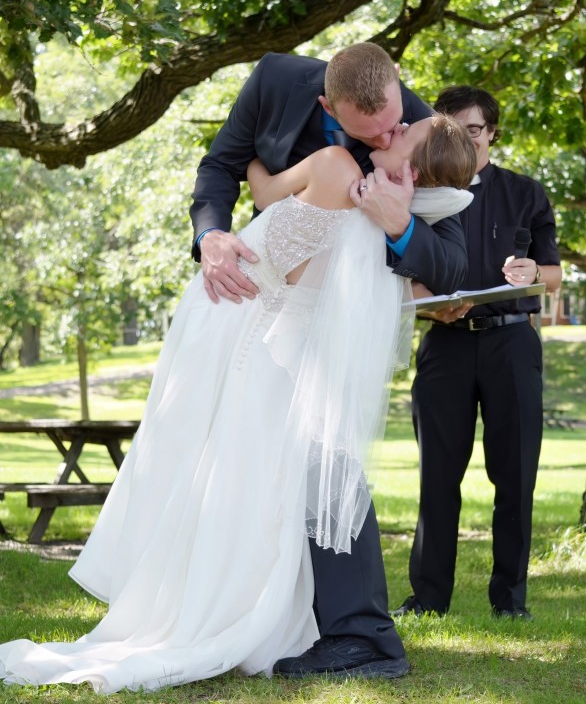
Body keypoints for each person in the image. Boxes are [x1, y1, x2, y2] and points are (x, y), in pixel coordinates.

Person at [0, 115, 476, 693]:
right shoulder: (349, 176)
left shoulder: (352, 183)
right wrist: (215, 231)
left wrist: (275, 177)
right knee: (270, 485)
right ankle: (318, 624)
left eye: (404, 132)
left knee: (285, 479)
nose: (396, 124)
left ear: (412, 166)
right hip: (276, 350)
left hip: (269, 349)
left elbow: (278, 207)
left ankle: (354, 634)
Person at [189, 42, 468, 678]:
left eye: (393, 125)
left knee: (325, 458)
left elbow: (451, 264)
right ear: (327, 103)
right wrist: (210, 235)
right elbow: (223, 170)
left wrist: (398, 224)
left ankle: (362, 634)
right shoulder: (274, 80)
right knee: (277, 465)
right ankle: (302, 617)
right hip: (260, 304)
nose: (388, 136)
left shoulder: (422, 131)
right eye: (371, 132)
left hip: (322, 321)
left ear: (399, 85)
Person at [393, 86, 562, 621]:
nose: (463, 138)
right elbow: (394, 279)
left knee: (515, 474)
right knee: (437, 474)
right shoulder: (416, 193)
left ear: (491, 133)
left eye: (473, 130)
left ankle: (510, 601)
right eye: (452, 127)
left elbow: (553, 274)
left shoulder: (525, 192)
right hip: (443, 344)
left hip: (512, 342)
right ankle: (428, 599)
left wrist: (533, 272)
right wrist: (429, 311)